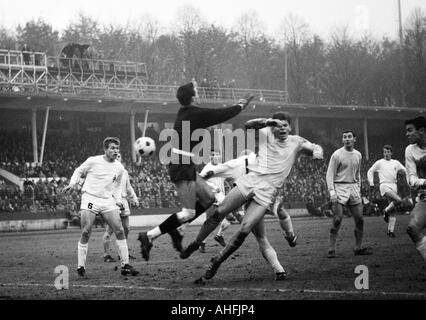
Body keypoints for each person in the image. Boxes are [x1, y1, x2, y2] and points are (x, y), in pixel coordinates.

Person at [194, 111, 323, 283]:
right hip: (247, 187)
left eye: (285, 125)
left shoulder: (295, 142)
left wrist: (318, 152)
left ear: (290, 127)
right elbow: (248, 126)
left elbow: (314, 147)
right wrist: (268, 122)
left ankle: (217, 261)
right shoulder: (258, 142)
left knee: (250, 230)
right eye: (278, 125)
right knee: (229, 217)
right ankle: (280, 262)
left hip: (265, 193)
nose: (281, 128)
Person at [137, 82, 254, 261]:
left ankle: (175, 229)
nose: (198, 93)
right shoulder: (194, 114)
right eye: (196, 91)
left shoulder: (185, 112)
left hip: (185, 163)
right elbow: (220, 115)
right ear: (192, 96)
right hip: (180, 164)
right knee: (188, 213)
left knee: (209, 199)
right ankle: (149, 236)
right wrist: (239, 106)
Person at [62, 137, 139, 278]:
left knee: (120, 230)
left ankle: (125, 265)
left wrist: (117, 200)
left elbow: (116, 186)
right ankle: (81, 266)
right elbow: (79, 171)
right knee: (86, 231)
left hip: (107, 201)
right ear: (105, 149)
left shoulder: (119, 167)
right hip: (90, 198)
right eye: (112, 148)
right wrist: (72, 184)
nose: (115, 151)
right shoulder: (93, 161)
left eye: (117, 148)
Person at [326, 131, 372, 258]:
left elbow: (357, 173)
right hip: (339, 186)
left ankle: (358, 247)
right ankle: (331, 248)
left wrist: (358, 187)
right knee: (337, 219)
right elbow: (329, 174)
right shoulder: (337, 155)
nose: (347, 139)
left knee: (360, 220)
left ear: (354, 139)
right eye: (344, 137)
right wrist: (332, 191)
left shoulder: (358, 155)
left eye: (349, 137)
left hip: (353, 187)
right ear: (342, 140)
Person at [367, 145, 411, 237]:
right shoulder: (379, 162)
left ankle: (390, 231)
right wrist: (371, 183)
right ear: (383, 153)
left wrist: (408, 181)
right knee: (399, 200)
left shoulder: (396, 163)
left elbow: (405, 170)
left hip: (393, 185)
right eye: (384, 152)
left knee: (393, 210)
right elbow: (370, 171)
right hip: (384, 185)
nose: (386, 154)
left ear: (391, 153)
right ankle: (385, 210)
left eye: (388, 152)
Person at [103, 153, 139, 262]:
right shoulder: (107, 171)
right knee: (110, 230)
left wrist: (134, 198)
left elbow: (128, 187)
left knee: (126, 228)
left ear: (121, 158)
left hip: (123, 201)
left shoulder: (124, 172)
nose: (117, 157)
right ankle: (106, 255)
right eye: (116, 156)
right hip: (112, 202)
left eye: (119, 156)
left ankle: (122, 253)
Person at [404, 117, 426, 261]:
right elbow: (411, 179)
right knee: (413, 228)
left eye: (410, 130)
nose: (407, 134)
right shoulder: (410, 150)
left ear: (422, 131)